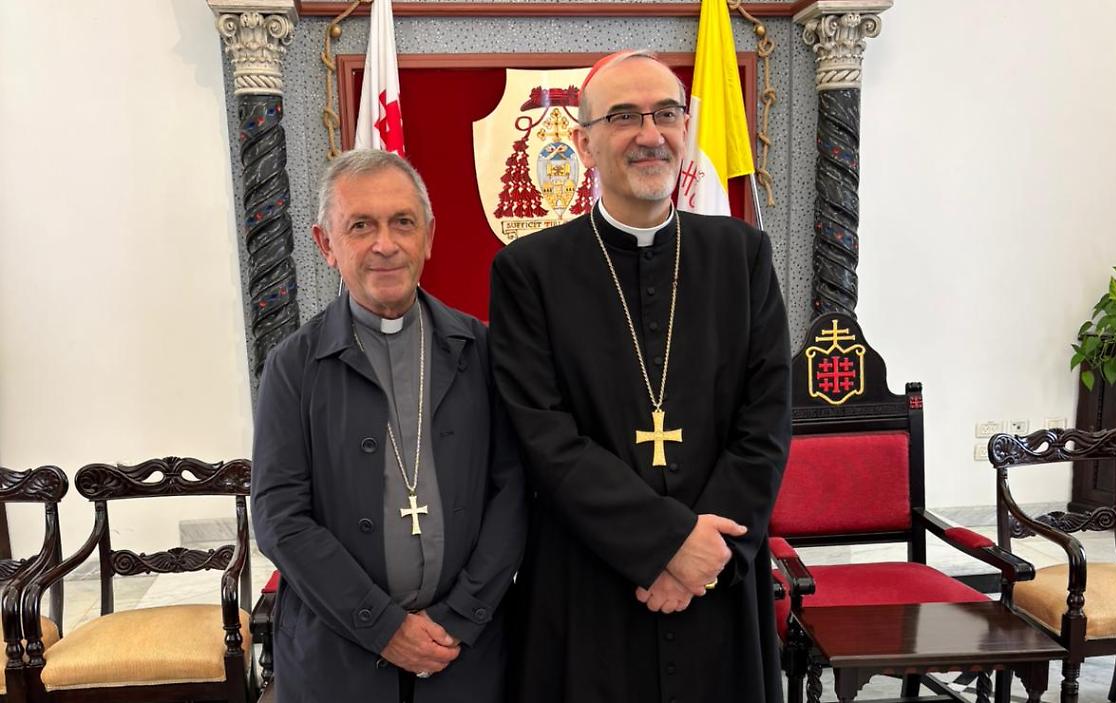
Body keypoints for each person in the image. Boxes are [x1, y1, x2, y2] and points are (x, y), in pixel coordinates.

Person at [489, 50, 791, 703]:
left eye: (665, 113)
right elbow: (544, 437)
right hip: (590, 582)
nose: (650, 133)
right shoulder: (529, 271)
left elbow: (766, 422)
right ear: (584, 142)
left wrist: (703, 556)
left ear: (686, 128)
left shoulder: (742, 256)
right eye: (623, 116)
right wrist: (667, 542)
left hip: (719, 571)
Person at [253, 149, 526, 703]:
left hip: (466, 653)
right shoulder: (293, 365)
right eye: (361, 226)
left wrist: (460, 615)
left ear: (429, 236)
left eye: (403, 222)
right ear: (326, 245)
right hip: (338, 657)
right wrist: (385, 627)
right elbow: (280, 517)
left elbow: (515, 490)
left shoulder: (483, 351)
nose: (385, 244)